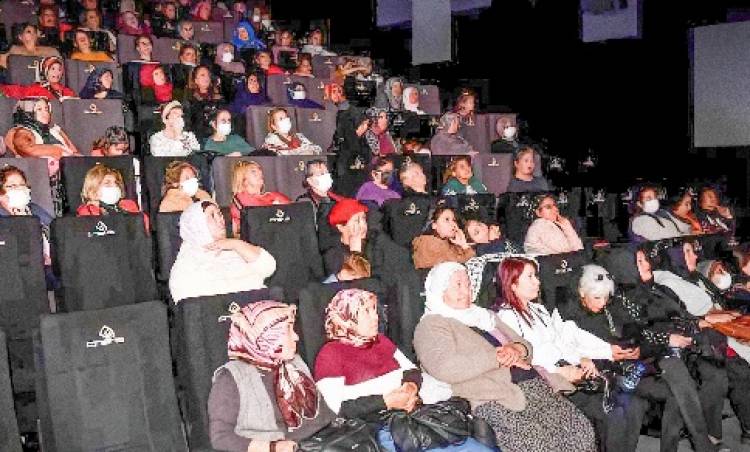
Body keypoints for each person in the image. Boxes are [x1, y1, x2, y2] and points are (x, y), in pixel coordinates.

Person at [414, 262, 597, 452]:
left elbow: (525, 346)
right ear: (439, 289)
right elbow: (445, 368)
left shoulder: (484, 316)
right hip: (491, 396)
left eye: (467, 284)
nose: (465, 291)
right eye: (457, 285)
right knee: (538, 444)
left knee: (581, 433)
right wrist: (497, 357)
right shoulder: (432, 325)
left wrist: (517, 349)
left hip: (531, 384)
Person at [495, 257, 649, 452]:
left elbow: (561, 343)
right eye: (530, 277)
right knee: (617, 413)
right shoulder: (506, 317)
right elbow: (526, 359)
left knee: (635, 405)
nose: (538, 282)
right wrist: (559, 371)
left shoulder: (539, 310)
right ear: (513, 284)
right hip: (549, 384)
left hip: (570, 373)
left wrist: (582, 359)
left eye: (536, 276)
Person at [562, 263, 720, 452]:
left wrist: (636, 349)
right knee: (671, 384)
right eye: (597, 298)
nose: (602, 302)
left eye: (606, 297)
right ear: (582, 293)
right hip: (608, 375)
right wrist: (608, 355)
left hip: (635, 366)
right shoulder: (570, 318)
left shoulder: (615, 306)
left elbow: (638, 331)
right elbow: (570, 351)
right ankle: (702, 445)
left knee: (677, 391)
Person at [315, 288, 494, 451]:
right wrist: (386, 402)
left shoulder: (380, 341)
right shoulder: (330, 354)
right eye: (366, 312)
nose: (375, 317)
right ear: (346, 319)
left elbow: (411, 370)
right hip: (379, 428)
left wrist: (410, 387)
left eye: (375, 310)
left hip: (415, 414)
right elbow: (334, 408)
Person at [604, 246, 730, 447]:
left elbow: (681, 317)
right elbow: (633, 336)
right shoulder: (619, 302)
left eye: (645, 259)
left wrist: (703, 322)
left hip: (679, 349)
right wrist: (667, 338)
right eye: (639, 262)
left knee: (715, 374)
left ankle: (701, 438)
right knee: (681, 381)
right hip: (646, 359)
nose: (647, 264)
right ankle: (703, 445)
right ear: (625, 267)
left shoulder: (659, 289)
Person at [207, 301, 335, 451]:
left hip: (320, 443)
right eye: (287, 330)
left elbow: (324, 415)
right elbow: (220, 437)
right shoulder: (232, 379)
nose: (296, 337)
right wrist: (272, 447)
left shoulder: (294, 364)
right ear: (265, 337)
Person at [169, 201, 277, 303]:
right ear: (197, 224)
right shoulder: (186, 265)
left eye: (220, 214)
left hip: (260, 306)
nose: (221, 220)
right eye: (213, 216)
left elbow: (269, 267)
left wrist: (236, 244)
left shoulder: (231, 248)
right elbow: (193, 306)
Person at [0, 166, 54, 271]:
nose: (19, 189)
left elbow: (55, 230)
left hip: (49, 265)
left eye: (22, 185)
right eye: (12, 186)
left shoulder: (34, 209)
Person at [4, 98, 79, 162]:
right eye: (39, 109)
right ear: (27, 113)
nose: (45, 113)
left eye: (46, 109)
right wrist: (61, 151)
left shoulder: (56, 130)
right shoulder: (21, 132)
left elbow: (74, 152)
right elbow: (29, 150)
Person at [229, 160, 291, 234]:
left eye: (259, 169)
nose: (259, 172)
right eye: (253, 171)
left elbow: (296, 212)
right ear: (243, 179)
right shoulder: (240, 199)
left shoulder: (274, 196)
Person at [324, 198, 369, 275]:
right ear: (341, 227)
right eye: (356, 221)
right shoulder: (334, 256)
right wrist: (356, 253)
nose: (363, 225)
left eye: (364, 218)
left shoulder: (372, 244)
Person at [1, 56, 76, 100]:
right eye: (53, 69)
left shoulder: (68, 92)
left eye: (59, 69)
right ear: (44, 70)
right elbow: (18, 91)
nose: (57, 73)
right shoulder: (37, 89)